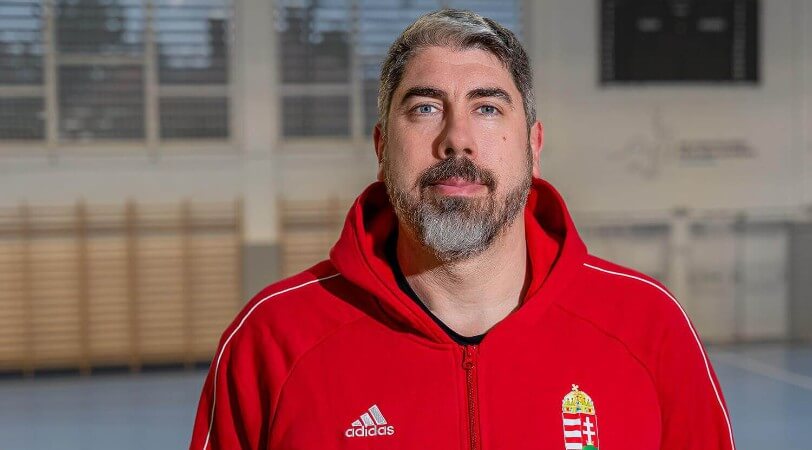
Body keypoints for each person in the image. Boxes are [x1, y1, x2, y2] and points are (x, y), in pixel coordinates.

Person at [190, 9, 735, 450]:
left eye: (488, 108)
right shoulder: (272, 342)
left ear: (534, 147)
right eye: (426, 108)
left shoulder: (651, 328)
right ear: (382, 148)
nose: (457, 138)